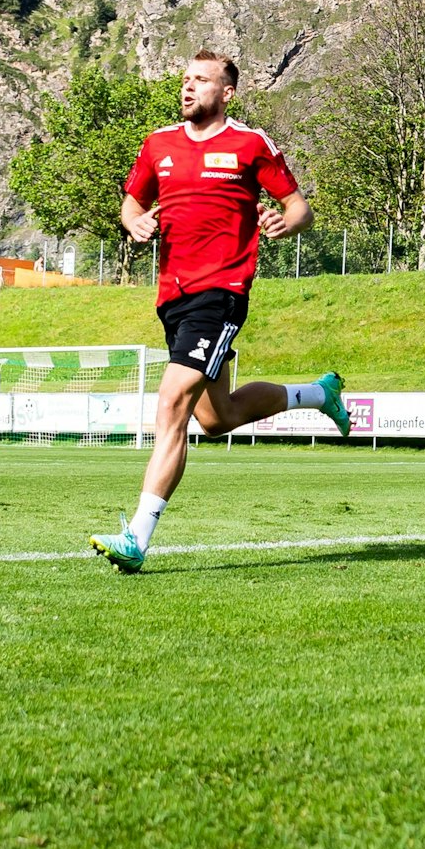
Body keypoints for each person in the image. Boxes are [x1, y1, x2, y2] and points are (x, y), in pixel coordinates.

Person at [91, 51, 350, 573]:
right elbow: (131, 203)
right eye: (186, 79)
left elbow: (300, 206)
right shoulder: (157, 145)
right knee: (217, 417)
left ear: (226, 92)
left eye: (202, 81)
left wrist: (286, 222)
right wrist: (135, 223)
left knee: (171, 405)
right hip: (172, 297)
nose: (188, 88)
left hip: (222, 291)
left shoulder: (250, 144)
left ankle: (137, 537)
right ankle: (320, 394)